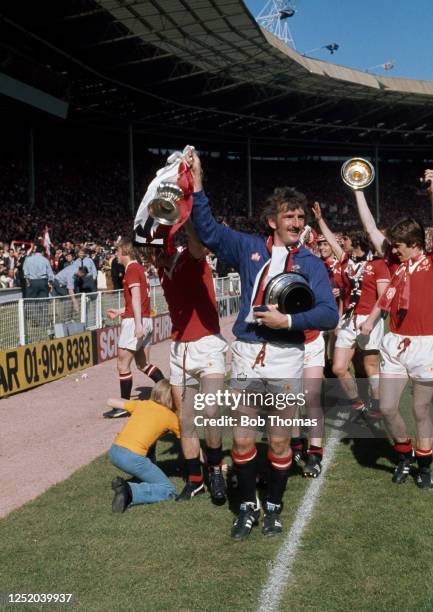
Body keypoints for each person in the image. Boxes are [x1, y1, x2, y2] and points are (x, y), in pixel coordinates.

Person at [189, 149, 339, 540]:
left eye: (301, 216)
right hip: (247, 355)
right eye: (288, 216)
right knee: (241, 437)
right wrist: (198, 183)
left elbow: (329, 314)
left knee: (279, 439)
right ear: (272, 221)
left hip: (287, 359)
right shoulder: (249, 249)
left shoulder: (311, 263)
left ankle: (273, 507)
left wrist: (287, 320)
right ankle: (247, 508)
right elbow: (207, 230)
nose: (296, 222)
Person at [148, 220, 228, 504]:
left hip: (207, 344)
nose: (150, 257)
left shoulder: (188, 255)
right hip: (180, 348)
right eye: (148, 252)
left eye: (153, 250)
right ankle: (195, 480)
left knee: (210, 412)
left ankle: (216, 469)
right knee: (186, 419)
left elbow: (199, 244)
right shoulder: (162, 268)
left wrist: (191, 211)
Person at [360, 175, 433, 489]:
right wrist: (370, 320)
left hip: (426, 344)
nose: (395, 251)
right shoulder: (396, 267)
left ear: (416, 245)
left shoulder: (431, 263)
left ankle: (425, 464)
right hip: (395, 344)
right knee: (388, 407)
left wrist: (432, 193)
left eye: (400, 247)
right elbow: (371, 230)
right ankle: (404, 455)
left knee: (420, 409)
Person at [312, 203, 390, 421]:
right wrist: (319, 220)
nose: (341, 242)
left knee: (369, 366)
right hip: (348, 318)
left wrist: (371, 321)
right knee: (338, 368)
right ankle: (358, 403)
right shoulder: (346, 261)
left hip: (369, 319)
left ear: (355, 242)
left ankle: (377, 406)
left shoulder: (378, 265)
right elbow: (328, 238)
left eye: (344, 240)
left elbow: (384, 298)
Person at [103, 238, 164, 418]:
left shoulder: (131, 269)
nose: (116, 255)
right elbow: (138, 300)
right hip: (144, 319)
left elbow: (137, 298)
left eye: (117, 252)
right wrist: (121, 310)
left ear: (124, 252)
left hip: (136, 322)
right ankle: (169, 390)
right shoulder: (139, 269)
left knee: (123, 364)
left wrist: (136, 325)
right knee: (143, 364)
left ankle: (124, 406)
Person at [108, 379, 180, 512]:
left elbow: (110, 401)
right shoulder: (170, 417)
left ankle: (135, 482)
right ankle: (129, 491)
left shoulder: (142, 404)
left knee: (151, 442)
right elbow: (190, 443)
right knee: (168, 489)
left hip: (114, 451)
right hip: (132, 458)